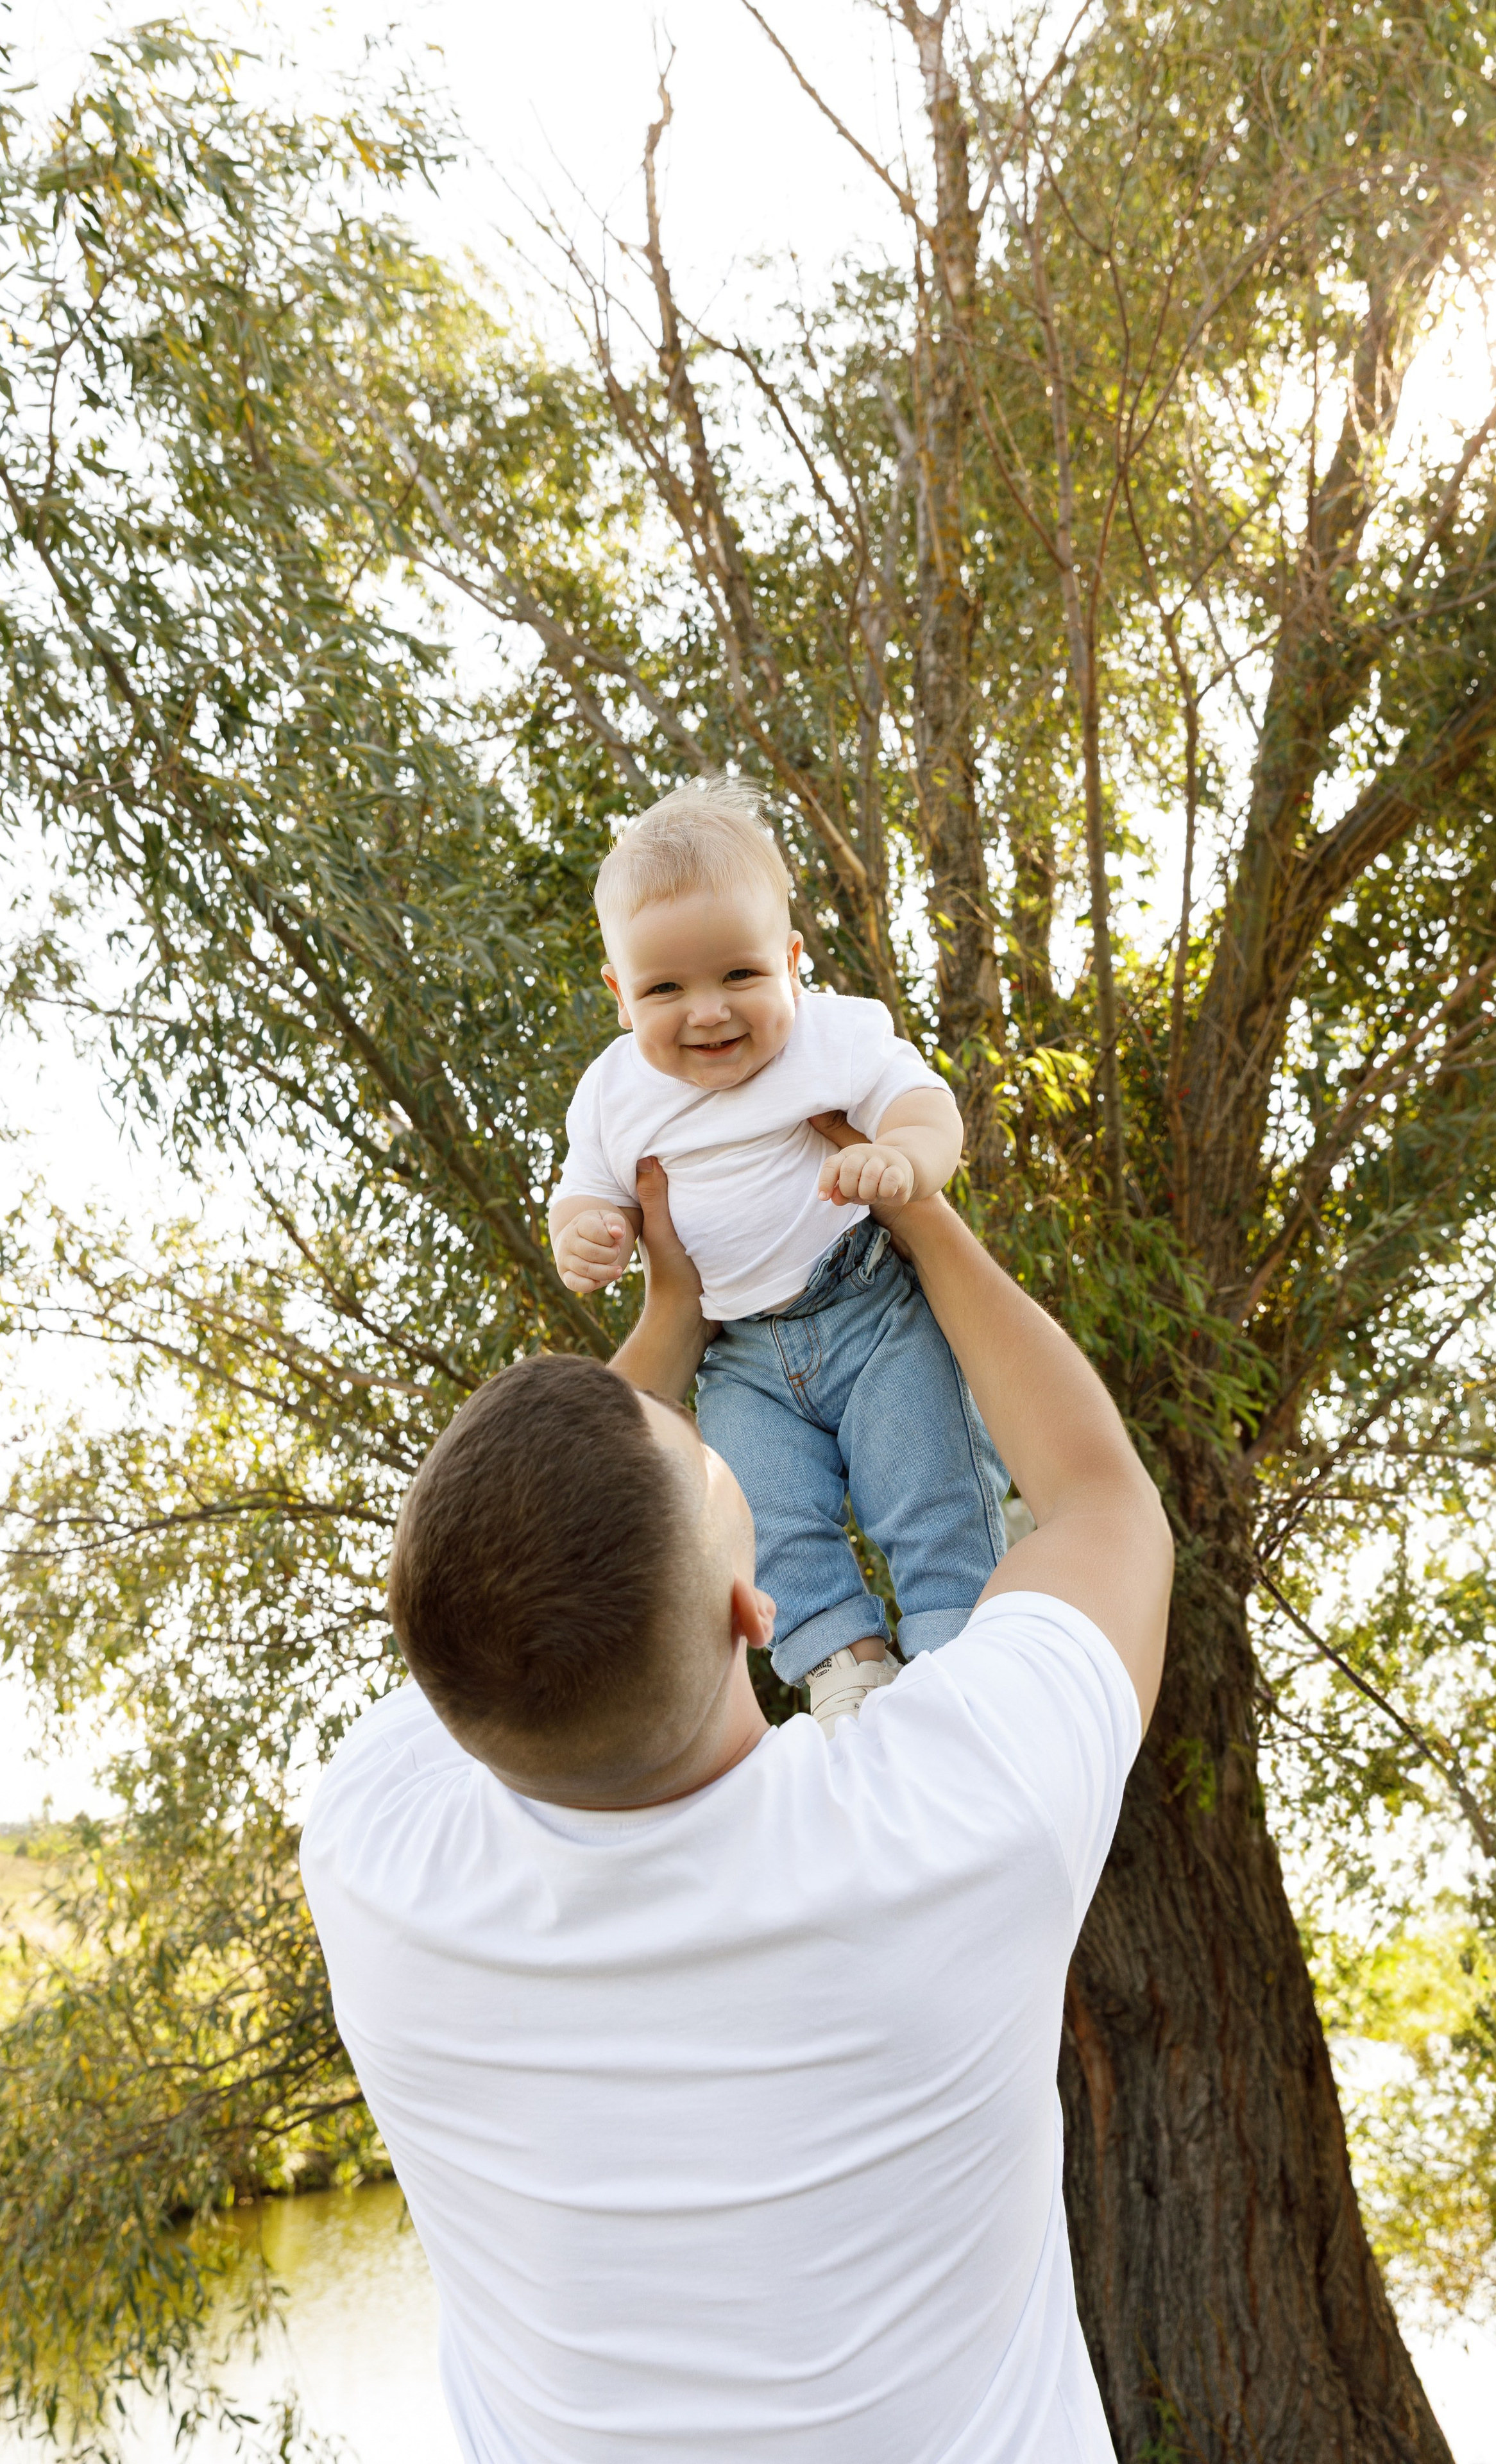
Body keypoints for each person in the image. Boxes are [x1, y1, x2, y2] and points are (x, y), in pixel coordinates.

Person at [300, 1147, 1172, 2464]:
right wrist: (918, 1217)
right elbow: (1101, 1502)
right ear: (754, 1619)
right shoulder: (949, 1820)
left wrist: (670, 1324)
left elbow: (507, 1586)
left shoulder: (372, 1848)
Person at [548, 782, 1009, 1732]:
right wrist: (587, 1234)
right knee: (755, 1514)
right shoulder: (610, 1095)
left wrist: (903, 1160)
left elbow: (926, 1106)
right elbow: (585, 1188)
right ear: (617, 994)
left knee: (927, 1480)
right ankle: (841, 1663)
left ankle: (961, 1639)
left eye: (741, 976)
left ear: (794, 963)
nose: (709, 1012)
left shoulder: (835, 1038)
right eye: (665, 989)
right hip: (741, 1356)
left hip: (872, 1308)